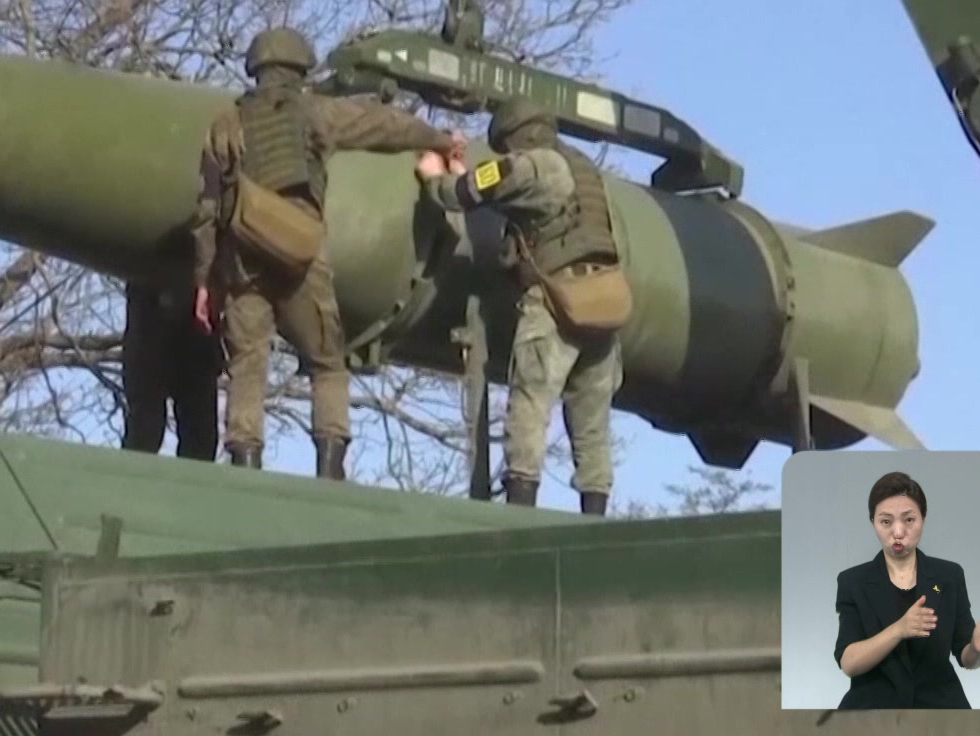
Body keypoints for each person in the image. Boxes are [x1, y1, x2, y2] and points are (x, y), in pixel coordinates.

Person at [192, 27, 463, 479]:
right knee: (327, 359)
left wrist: (204, 282)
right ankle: (331, 467)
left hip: (242, 259)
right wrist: (436, 139)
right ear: (301, 68)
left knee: (247, 362)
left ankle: (244, 463)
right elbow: (382, 126)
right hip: (300, 252)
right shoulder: (316, 112)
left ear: (256, 69)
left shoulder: (225, 124)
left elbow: (205, 211)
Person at [416, 97, 628, 514]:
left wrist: (435, 181)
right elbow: (527, 203)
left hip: (557, 301)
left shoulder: (533, 164)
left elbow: (475, 189)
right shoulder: (581, 168)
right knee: (592, 424)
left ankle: (520, 509)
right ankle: (596, 516)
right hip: (604, 303)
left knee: (530, 403)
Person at [832, 471, 980, 709]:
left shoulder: (949, 576)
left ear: (923, 520)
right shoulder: (852, 581)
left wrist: (977, 649)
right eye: (886, 521)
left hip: (941, 707)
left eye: (909, 520)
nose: (898, 532)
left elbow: (966, 658)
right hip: (873, 710)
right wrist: (899, 629)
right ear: (873, 523)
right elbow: (849, 663)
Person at [119, 279, 221, 462]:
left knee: (199, 432)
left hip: (195, 311)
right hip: (152, 300)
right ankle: (130, 482)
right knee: (145, 427)